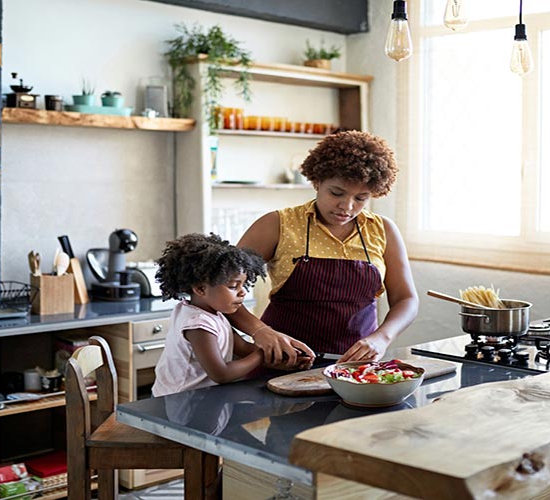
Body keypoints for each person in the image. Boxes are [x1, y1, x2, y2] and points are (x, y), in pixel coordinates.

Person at [232, 130, 419, 366]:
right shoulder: (278, 225)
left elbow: (406, 300)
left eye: (361, 198)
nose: (347, 206)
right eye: (336, 193)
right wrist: (260, 331)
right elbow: (218, 290)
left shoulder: (382, 230)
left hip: (354, 366)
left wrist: (382, 338)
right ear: (317, 181)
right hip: (284, 361)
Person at [151, 233, 269, 397]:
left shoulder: (214, 314)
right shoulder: (198, 325)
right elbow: (221, 374)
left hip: (200, 398)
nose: (243, 292)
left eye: (243, 284)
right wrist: (262, 355)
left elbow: (241, 347)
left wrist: (276, 354)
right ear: (200, 289)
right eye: (234, 286)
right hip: (181, 401)